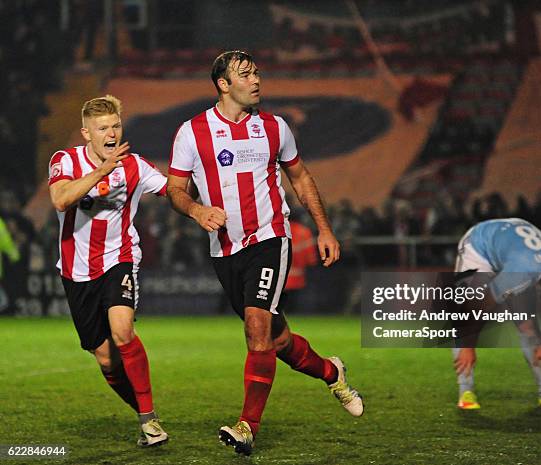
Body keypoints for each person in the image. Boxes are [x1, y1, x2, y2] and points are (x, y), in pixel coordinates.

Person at [166, 50, 363, 456]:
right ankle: (331, 371)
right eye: (245, 74)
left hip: (271, 238)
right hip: (224, 250)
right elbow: (174, 189)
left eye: (256, 72)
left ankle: (246, 426)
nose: (255, 80)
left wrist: (324, 228)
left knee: (256, 328)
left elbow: (300, 176)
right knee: (277, 340)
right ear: (223, 84)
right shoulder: (192, 132)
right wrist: (197, 209)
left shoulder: (275, 128)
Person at [48, 95, 169, 446]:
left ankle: (148, 420)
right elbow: (60, 199)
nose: (111, 132)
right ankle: (148, 417)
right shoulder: (65, 160)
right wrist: (102, 170)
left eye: (116, 125)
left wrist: (198, 200)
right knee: (105, 360)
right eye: (103, 128)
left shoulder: (135, 166)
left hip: (119, 258)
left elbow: (171, 190)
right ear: (87, 133)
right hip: (76, 271)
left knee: (122, 329)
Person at [452, 218, 541, 410]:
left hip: (514, 249)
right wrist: (468, 346)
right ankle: (465, 392)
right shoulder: (519, 273)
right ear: (539, 290)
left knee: (527, 326)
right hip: (479, 246)